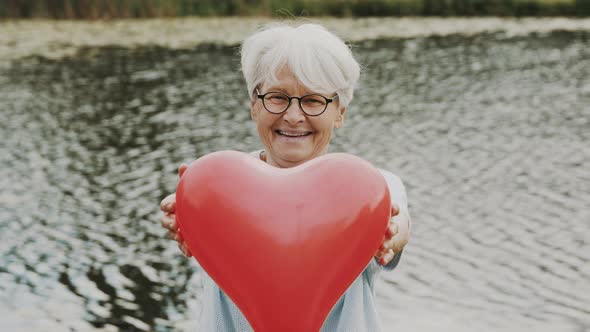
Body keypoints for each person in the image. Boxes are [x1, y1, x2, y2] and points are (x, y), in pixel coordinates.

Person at [160, 22, 411, 331]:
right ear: (254, 105)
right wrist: (186, 206)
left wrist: (389, 231)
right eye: (277, 97)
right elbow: (196, 207)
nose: (293, 116)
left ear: (340, 112)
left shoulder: (372, 187)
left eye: (313, 100)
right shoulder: (219, 185)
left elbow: (398, 229)